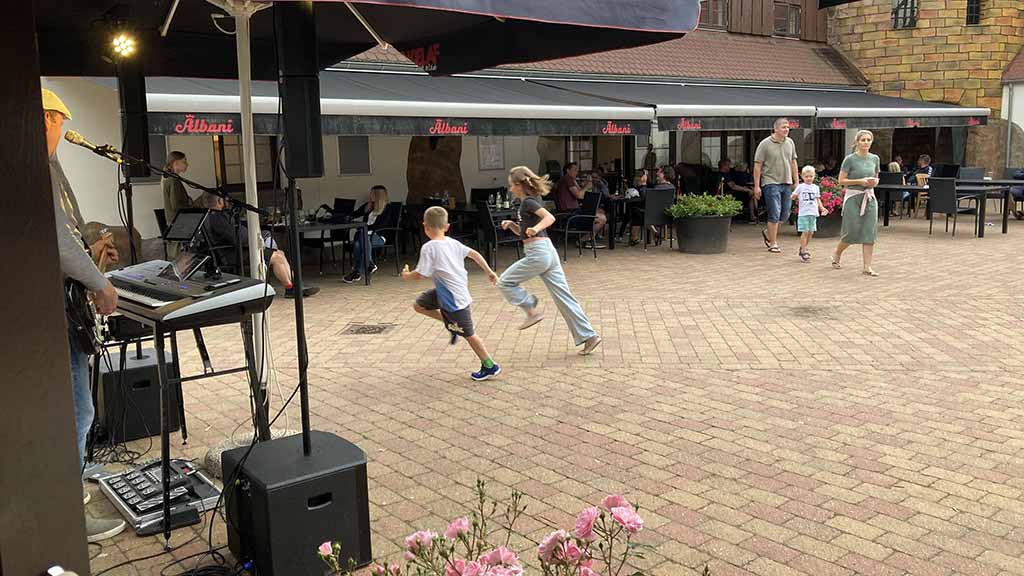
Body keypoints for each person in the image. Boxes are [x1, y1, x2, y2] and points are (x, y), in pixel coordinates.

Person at [42, 87, 127, 542]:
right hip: (53, 311)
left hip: (52, 305)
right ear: (46, 120)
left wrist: (91, 258)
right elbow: (57, 238)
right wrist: (100, 283)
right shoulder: (39, 167)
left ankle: (69, 480)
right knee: (78, 407)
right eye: (59, 123)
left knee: (73, 405)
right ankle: (70, 513)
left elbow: (63, 235)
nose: (61, 132)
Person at [498, 166, 602, 355]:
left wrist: (535, 228)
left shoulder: (528, 202)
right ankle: (590, 336)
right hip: (547, 253)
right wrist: (513, 225)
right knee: (564, 297)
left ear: (520, 185)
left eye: (512, 185)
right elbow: (525, 232)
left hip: (538, 253)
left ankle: (531, 310)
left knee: (505, 281)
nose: (510, 189)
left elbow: (549, 218)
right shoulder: (528, 202)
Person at [401, 206, 502, 381]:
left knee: (470, 334)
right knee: (419, 305)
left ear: (425, 226)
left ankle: (489, 365)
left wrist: (406, 275)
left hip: (454, 299)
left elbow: (420, 274)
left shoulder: (429, 247)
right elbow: (474, 254)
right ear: (447, 226)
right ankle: (451, 325)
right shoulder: (453, 243)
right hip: (445, 291)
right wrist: (489, 271)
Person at [201, 193, 319, 298]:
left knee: (279, 254)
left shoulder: (210, 216)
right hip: (231, 254)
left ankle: (295, 285)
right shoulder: (217, 218)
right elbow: (240, 237)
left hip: (232, 250)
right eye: (225, 200)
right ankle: (290, 288)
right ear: (220, 201)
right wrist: (258, 238)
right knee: (277, 256)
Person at [832, 129, 881, 277]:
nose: (866, 142)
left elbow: (876, 177)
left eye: (868, 140)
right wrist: (859, 181)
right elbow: (841, 181)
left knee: (869, 232)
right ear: (857, 142)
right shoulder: (850, 159)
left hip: (869, 197)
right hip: (853, 197)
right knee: (850, 232)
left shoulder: (875, 159)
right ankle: (837, 253)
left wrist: (874, 183)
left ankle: (867, 266)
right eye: (863, 140)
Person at [754, 117, 800, 254]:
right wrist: (756, 186)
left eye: (788, 127)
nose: (786, 129)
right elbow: (757, 165)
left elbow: (793, 162)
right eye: (783, 127)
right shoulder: (765, 144)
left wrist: (796, 181)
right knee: (774, 213)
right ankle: (773, 243)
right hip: (770, 182)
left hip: (786, 182)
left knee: (785, 213)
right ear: (775, 129)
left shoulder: (790, 142)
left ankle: (768, 232)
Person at [343, 185, 394, 284]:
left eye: (372, 194)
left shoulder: (387, 209)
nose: (370, 195)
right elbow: (355, 214)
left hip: (378, 236)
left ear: (378, 195)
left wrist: (364, 227)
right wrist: (347, 216)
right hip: (365, 236)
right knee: (358, 244)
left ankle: (356, 272)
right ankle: (369, 264)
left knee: (361, 234)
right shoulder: (368, 206)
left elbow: (380, 226)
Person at [555, 162, 607, 249]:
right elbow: (579, 195)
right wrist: (587, 186)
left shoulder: (571, 180)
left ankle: (587, 239)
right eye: (574, 170)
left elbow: (582, 195)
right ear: (568, 170)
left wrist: (586, 185)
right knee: (602, 218)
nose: (576, 172)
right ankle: (584, 240)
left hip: (573, 212)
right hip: (570, 214)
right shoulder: (567, 179)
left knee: (600, 212)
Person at [790, 165, 828, 263]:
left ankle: (804, 247)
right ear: (803, 177)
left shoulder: (815, 187)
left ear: (814, 176)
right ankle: (803, 250)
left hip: (813, 213)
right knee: (805, 231)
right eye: (806, 176)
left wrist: (822, 208)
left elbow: (817, 199)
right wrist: (795, 197)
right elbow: (793, 196)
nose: (809, 178)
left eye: (811, 176)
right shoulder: (800, 187)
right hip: (804, 213)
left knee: (811, 232)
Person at [161, 151, 192, 224]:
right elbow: (176, 205)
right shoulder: (173, 180)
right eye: (184, 162)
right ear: (176, 163)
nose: (187, 164)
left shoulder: (170, 179)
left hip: (176, 221)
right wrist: (190, 205)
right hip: (178, 222)